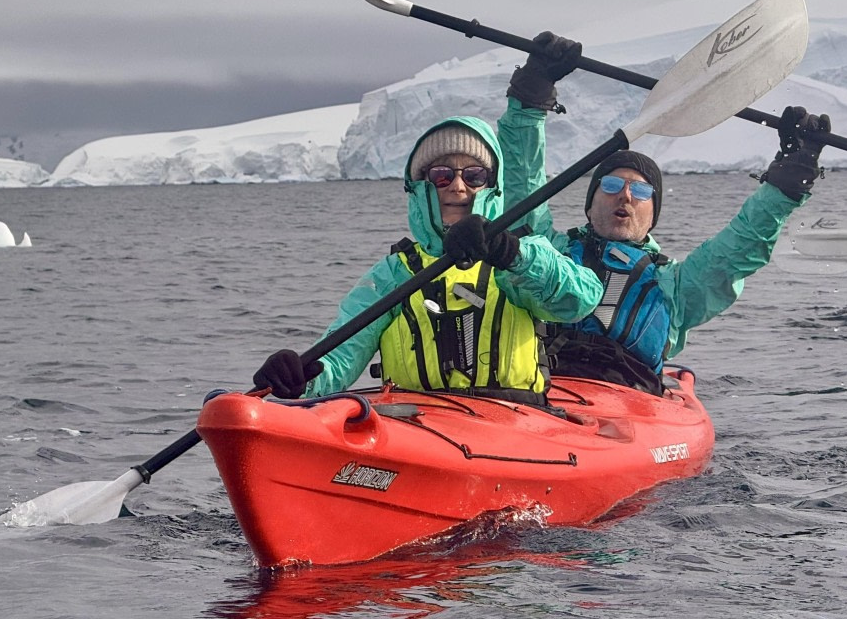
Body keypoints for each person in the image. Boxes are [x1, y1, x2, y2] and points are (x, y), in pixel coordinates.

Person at [497, 32, 833, 395]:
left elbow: (739, 250)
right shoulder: (544, 251)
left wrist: (784, 187)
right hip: (540, 394)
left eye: (640, 191)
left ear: (652, 215)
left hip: (631, 406)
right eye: (610, 186)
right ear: (590, 206)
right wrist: (530, 97)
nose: (624, 195)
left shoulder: (675, 285)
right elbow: (523, 181)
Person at [252, 115, 604, 405]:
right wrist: (299, 380)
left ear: (491, 186)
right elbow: (342, 357)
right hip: (419, 421)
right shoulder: (394, 273)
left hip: (515, 418)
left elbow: (581, 300)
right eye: (441, 175)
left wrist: (510, 252)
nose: (458, 187)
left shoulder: (517, 257)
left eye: (474, 175)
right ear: (421, 187)